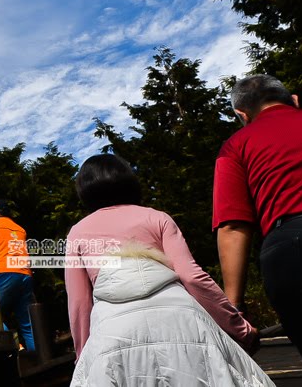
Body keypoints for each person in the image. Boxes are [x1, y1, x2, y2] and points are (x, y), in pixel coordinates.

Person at [65, 154, 269, 386]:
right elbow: (193, 278)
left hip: (112, 331)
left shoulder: (78, 233)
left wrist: (84, 358)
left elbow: (79, 303)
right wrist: (240, 328)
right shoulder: (157, 218)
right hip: (184, 320)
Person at [214, 74, 302, 385]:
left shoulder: (235, 146)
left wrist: (234, 308)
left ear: (242, 116)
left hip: (294, 251)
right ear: (295, 100)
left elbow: (233, 225)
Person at [0, 199, 35, 352]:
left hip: (4, 271)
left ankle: (16, 347)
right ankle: (38, 356)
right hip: (25, 274)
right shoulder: (20, 229)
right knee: (27, 322)